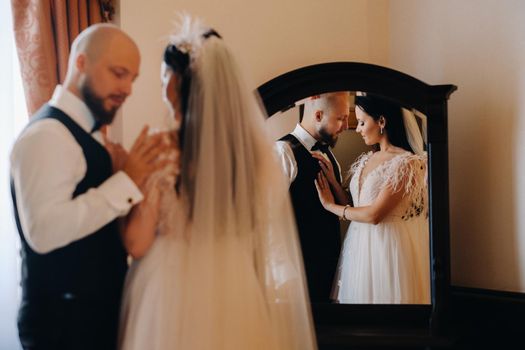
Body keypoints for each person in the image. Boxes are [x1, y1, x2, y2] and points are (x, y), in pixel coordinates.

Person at [118, 17, 316, 350]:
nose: (161, 81)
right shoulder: (251, 155)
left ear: (178, 82)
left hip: (172, 288)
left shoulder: (161, 148)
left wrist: (129, 180)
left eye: (166, 73)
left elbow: (136, 242)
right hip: (233, 283)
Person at [10, 24, 171, 349]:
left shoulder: (90, 136)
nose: (127, 88)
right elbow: (44, 231)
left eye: (133, 79)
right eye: (118, 73)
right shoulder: (47, 136)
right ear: (81, 63)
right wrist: (126, 181)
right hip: (64, 327)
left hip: (93, 318)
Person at [314, 93, 430, 304]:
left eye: (360, 122)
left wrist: (330, 206)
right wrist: (332, 181)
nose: (357, 129)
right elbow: (356, 205)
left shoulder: (407, 163)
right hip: (360, 248)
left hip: (387, 247)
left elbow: (375, 214)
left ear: (382, 122)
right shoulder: (368, 158)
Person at [275, 92, 350, 302]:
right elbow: (268, 220)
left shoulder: (328, 154)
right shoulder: (282, 152)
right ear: (318, 115)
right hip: (297, 277)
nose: (345, 126)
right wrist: (284, 277)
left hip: (329, 273)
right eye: (341, 119)